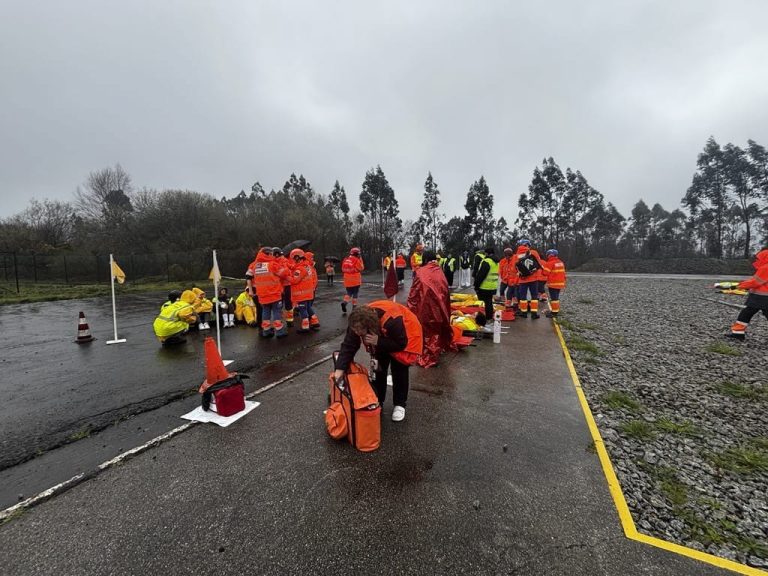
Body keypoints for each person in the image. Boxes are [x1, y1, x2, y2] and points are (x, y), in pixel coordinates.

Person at [333, 301, 423, 422]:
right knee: (379, 368)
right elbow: (349, 346)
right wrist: (340, 369)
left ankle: (400, 404)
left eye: (359, 331)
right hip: (380, 337)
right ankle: (378, 400)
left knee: (399, 369)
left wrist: (379, 341)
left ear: (370, 327)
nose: (356, 333)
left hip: (405, 335)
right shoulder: (356, 322)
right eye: (355, 330)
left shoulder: (392, 321)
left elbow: (401, 344)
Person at [407, 251, 455, 368]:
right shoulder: (440, 272)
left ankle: (429, 357)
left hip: (426, 309)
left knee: (427, 334)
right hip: (440, 309)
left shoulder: (421, 272)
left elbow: (414, 293)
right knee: (435, 333)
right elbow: (445, 292)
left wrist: (409, 309)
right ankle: (434, 352)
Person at [728, 247, 768, 340]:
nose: (757, 259)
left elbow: (755, 282)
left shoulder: (765, 268)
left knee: (746, 313)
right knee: (748, 313)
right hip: (762, 297)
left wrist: (739, 286)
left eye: (759, 258)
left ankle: (738, 334)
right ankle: (738, 333)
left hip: (761, 297)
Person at [252, 246, 289, 337]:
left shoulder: (255, 266)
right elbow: (283, 273)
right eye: (271, 254)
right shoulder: (273, 264)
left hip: (262, 295)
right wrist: (285, 266)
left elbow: (250, 276)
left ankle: (266, 330)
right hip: (274, 294)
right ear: (269, 254)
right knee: (277, 311)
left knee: (265, 311)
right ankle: (279, 331)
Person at [513, 239, 546, 319]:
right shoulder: (534, 252)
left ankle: (524, 313)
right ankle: (534, 314)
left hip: (522, 280)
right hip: (533, 279)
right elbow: (539, 264)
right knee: (534, 296)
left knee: (523, 297)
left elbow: (514, 269)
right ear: (528, 245)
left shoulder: (516, 255)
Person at [290, 249, 319, 333]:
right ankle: (315, 322)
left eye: (294, 258)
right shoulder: (308, 266)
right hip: (309, 292)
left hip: (302, 293)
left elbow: (295, 280)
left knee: (303, 309)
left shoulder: (300, 268)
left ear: (297, 257)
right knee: (308, 307)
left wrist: (287, 277)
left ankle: (305, 327)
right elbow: (314, 278)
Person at [474, 246, 499, 320]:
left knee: (485, 303)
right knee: (489, 302)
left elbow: (481, 275)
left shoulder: (487, 261)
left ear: (487, 253)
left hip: (485, 286)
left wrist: (476, 285)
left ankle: (486, 318)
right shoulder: (497, 262)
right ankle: (489, 317)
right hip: (493, 286)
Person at [543, 249, 567, 317]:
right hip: (560, 283)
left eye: (547, 254)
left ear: (550, 255)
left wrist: (543, 269)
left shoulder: (550, 262)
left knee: (554, 299)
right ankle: (556, 310)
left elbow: (545, 273)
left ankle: (554, 312)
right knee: (556, 297)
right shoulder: (561, 262)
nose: (547, 256)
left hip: (553, 284)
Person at [341, 247, 365, 314]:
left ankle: (344, 302)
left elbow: (343, 269)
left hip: (347, 280)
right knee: (355, 293)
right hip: (355, 280)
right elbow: (361, 268)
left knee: (349, 293)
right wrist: (360, 259)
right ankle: (354, 307)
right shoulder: (356, 260)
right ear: (357, 254)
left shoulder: (345, 259)